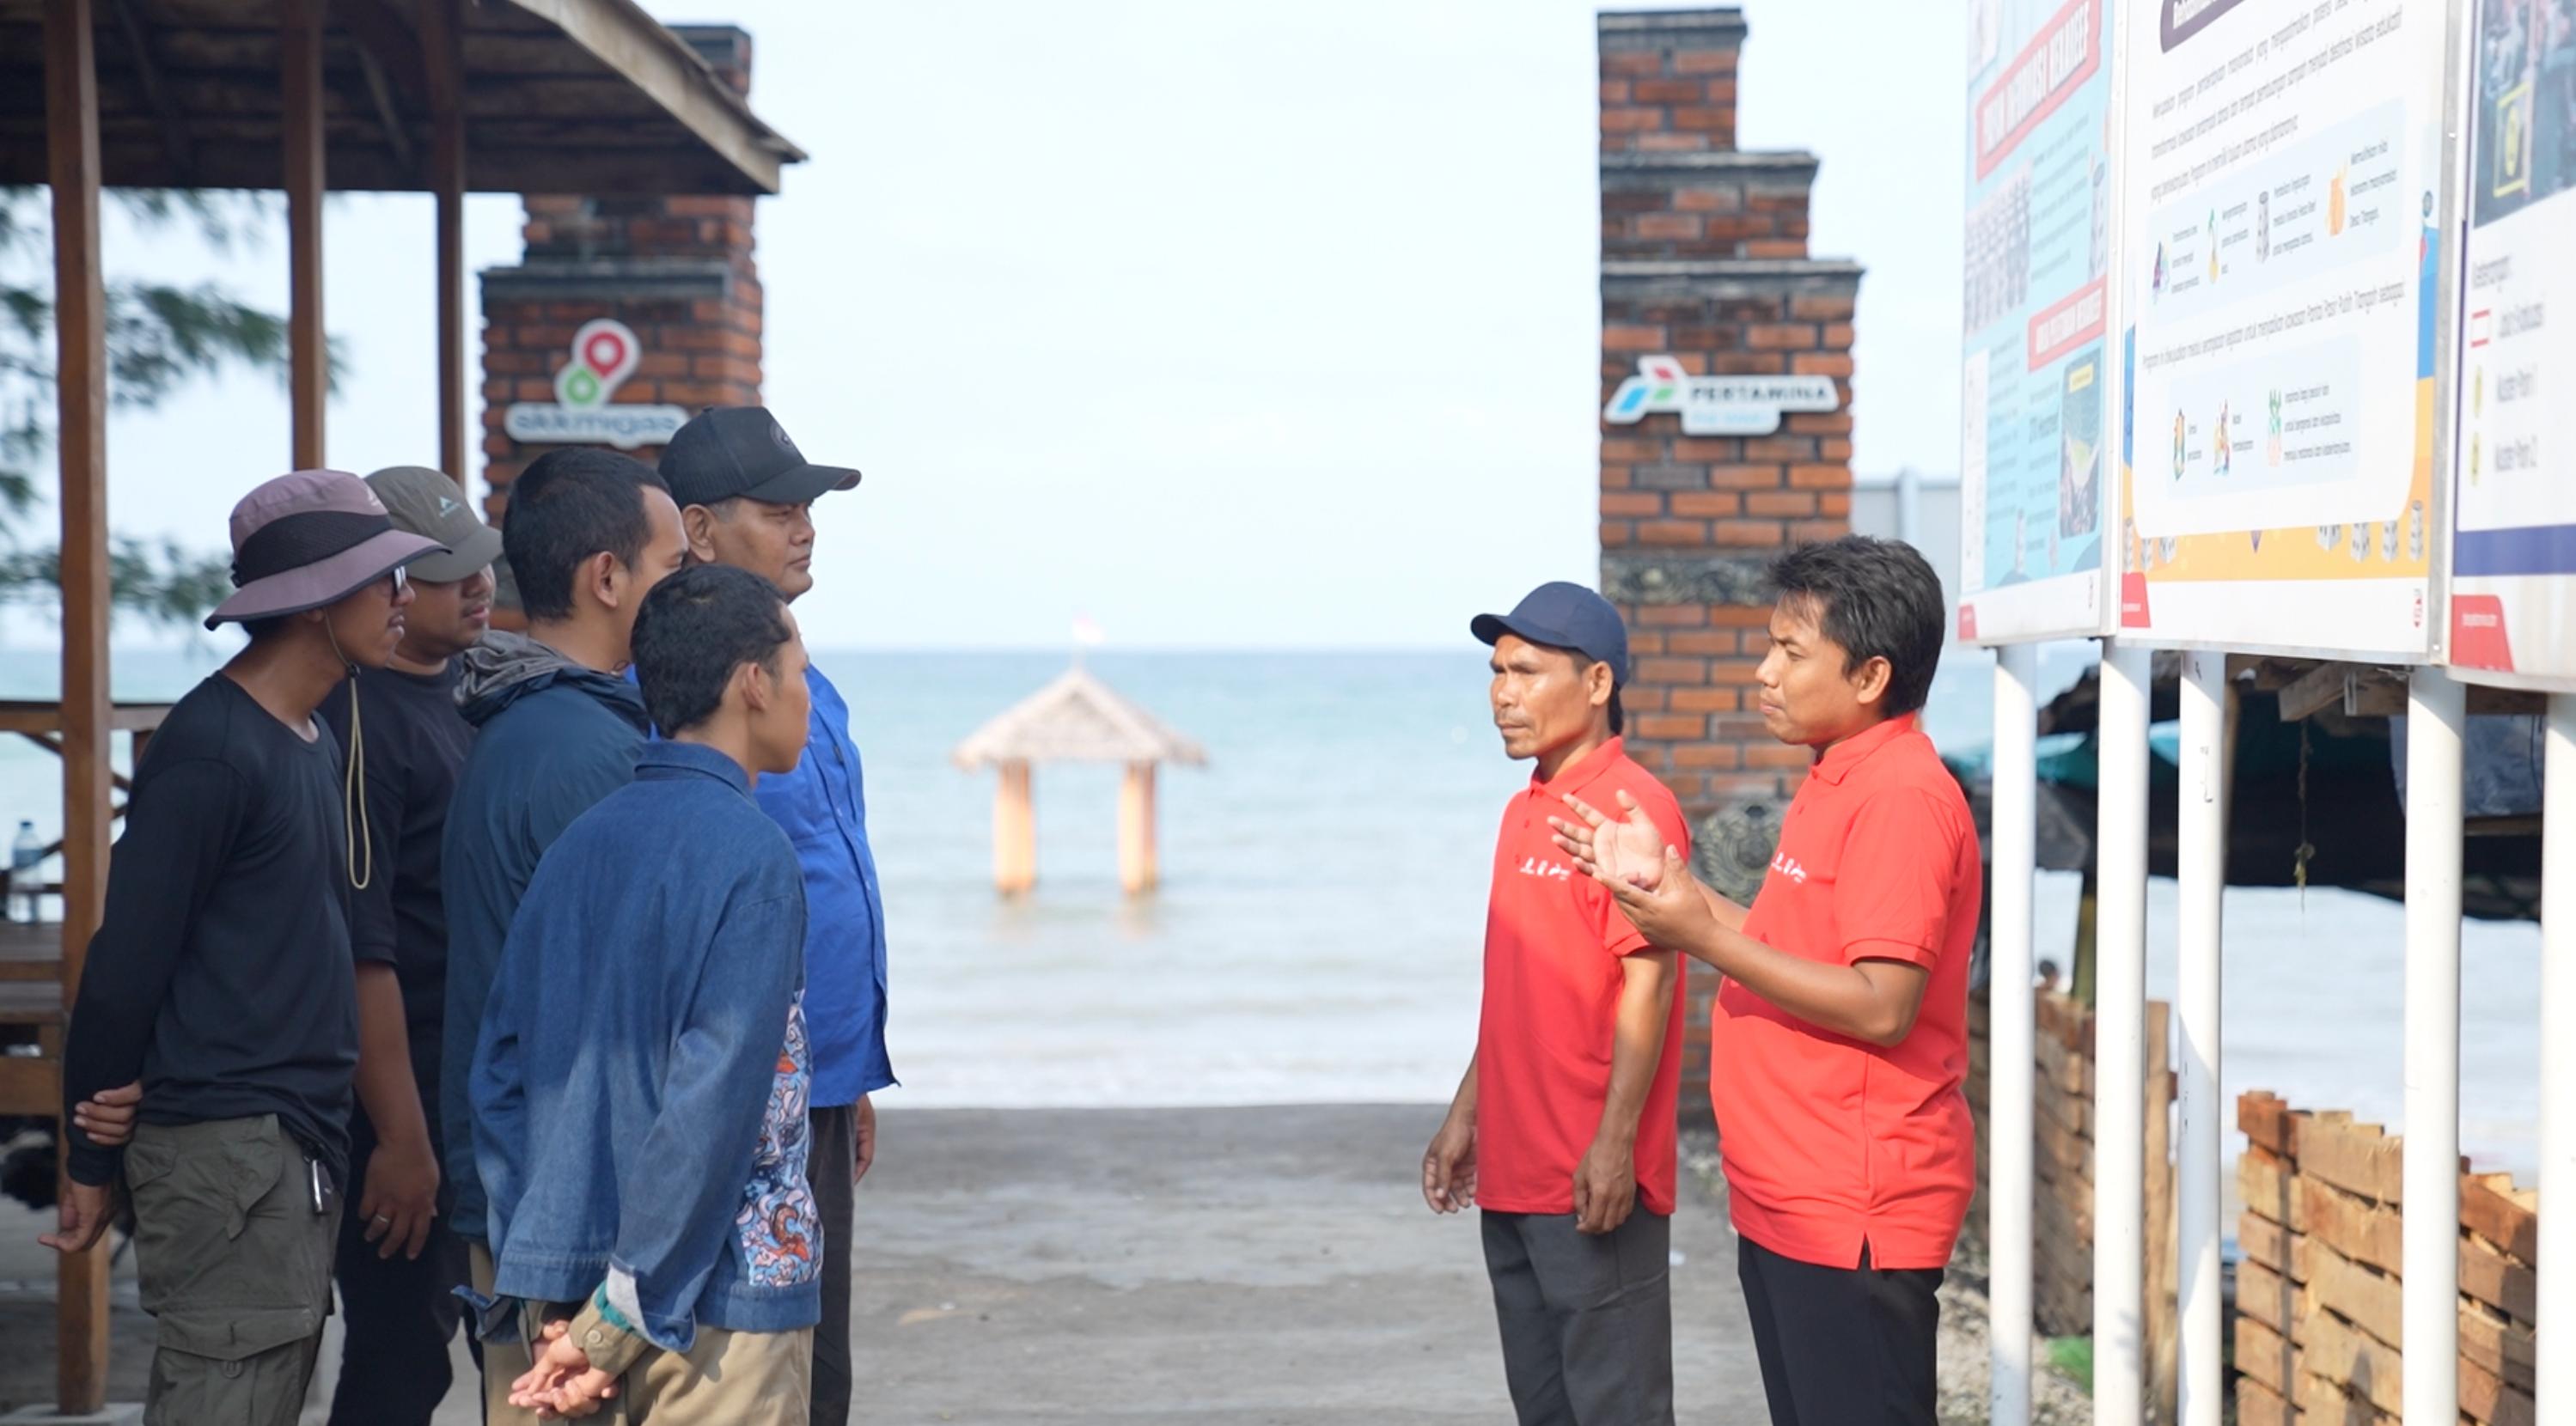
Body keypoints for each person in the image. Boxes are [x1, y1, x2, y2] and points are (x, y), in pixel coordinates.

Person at [1551, 536, 1978, 1426]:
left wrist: (1696, 931)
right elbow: (1792, 944)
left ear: (1869, 675)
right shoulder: (1837, 772)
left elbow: (1882, 1004)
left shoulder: (1900, 794)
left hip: (1850, 1205)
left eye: (1789, 651)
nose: (1762, 672)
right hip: (1788, 1190)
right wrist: (1669, 892)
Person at [46, 471, 443, 1425]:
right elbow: (124, 967)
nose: (402, 601)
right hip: (226, 1151)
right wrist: (85, 1154)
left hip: (289, 1148)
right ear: (311, 603)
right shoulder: (212, 747)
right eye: (379, 579)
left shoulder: (313, 735)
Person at [475, 564, 821, 1424]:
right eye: (801, 674)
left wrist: (551, 1279)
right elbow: (712, 1108)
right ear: (753, 683)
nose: (806, 698)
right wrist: (618, 1314)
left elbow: (499, 1075)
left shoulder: (581, 842)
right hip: (721, 1301)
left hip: (573, 1290)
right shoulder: (753, 852)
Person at [441, 447, 685, 1420]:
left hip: (529, 1180)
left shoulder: (531, 721)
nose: (685, 589)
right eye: (672, 567)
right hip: (559, 1200)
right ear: (607, 576)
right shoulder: (592, 754)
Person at [657, 405, 884, 1426]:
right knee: (758, 1358)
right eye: (779, 508)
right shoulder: (684, 691)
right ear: (700, 532)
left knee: (821, 1356)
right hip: (749, 1079)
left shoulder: (804, 676)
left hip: (821, 1074)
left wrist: (850, 1073)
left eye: (810, 509)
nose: (806, 528)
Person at [1422, 581, 1688, 1426]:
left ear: (1599, 684)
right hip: (1510, 1171)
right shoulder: (1521, 812)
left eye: (1527, 671)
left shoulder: (1632, 811)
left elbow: (1650, 982)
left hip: (1590, 1182)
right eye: (1497, 672)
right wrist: (1466, 1114)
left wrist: (1614, 1145)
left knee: (1619, 1409)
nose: (1503, 694)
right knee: (1544, 1409)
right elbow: (1513, 989)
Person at [315, 466, 502, 1426]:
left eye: (480, 563)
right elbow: (362, 948)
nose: (476, 586)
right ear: (381, 580)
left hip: (476, 1080)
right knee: (398, 1358)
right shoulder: (355, 720)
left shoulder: (474, 690)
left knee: (502, 1349)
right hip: (396, 1093)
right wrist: (399, 1137)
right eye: (443, 573)